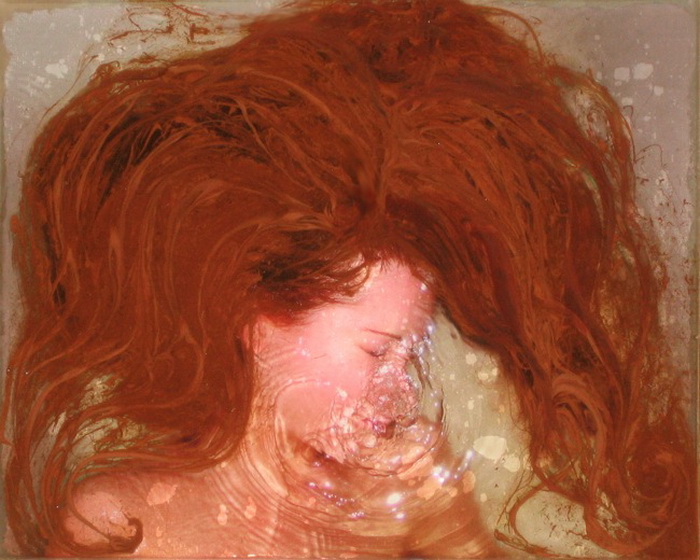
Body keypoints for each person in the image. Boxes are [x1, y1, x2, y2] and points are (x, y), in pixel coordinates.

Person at [2, 0, 696, 557]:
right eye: (376, 350)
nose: (403, 391)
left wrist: (448, 526)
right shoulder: (118, 519)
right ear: (258, 323)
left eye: (410, 353)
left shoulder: (405, 498)